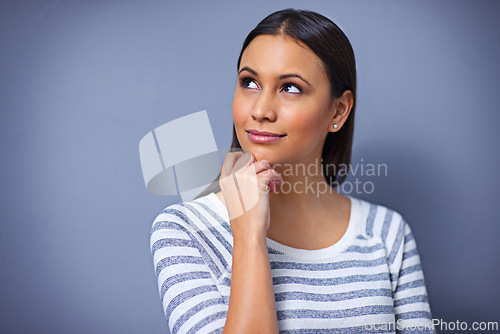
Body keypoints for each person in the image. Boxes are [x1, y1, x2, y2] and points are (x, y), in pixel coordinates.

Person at [150, 8, 435, 334]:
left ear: (338, 111)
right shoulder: (184, 230)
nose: (260, 110)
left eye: (291, 88)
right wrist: (248, 235)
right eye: (250, 82)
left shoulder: (388, 234)